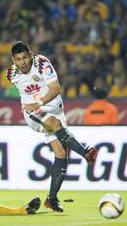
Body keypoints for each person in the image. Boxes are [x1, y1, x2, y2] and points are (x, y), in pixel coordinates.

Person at [7, 41, 98, 212]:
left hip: (53, 108)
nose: (23, 62)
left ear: (31, 54)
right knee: (54, 124)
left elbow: (56, 89)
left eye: (25, 57)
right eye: (18, 59)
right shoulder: (11, 73)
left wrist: (40, 101)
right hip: (32, 112)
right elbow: (24, 89)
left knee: (61, 154)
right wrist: (34, 104)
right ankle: (85, 153)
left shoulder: (42, 63)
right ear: (13, 60)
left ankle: (52, 198)